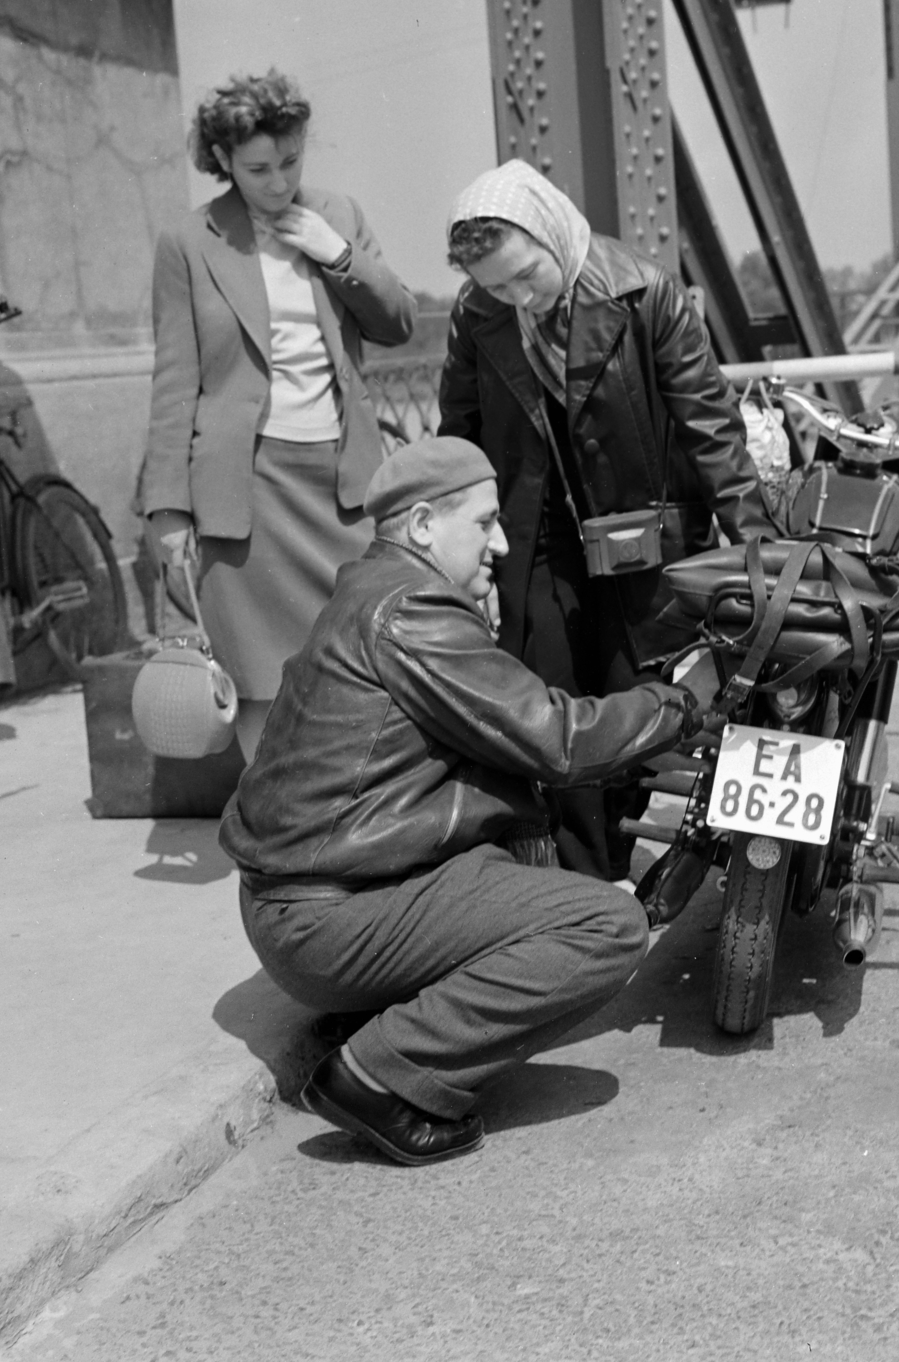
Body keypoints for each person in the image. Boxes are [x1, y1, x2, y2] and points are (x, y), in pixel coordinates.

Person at [220, 437, 704, 1166]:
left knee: (529, 873)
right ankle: (380, 1076)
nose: (502, 543)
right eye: (482, 523)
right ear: (420, 525)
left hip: (312, 901)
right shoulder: (408, 608)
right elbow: (556, 740)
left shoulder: (377, 592)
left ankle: (382, 1025)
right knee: (606, 925)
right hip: (325, 921)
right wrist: (680, 704)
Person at [437, 159, 774, 882]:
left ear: (551, 230)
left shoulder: (644, 291)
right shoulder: (477, 315)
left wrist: (761, 554)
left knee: (633, 695)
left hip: (639, 535)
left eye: (526, 274)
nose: (516, 297)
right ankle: (590, 881)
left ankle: (623, 847)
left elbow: (709, 429)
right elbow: (457, 435)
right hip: (534, 541)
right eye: (496, 286)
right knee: (553, 707)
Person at [141, 70, 415, 759]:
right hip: (247, 489)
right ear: (223, 162)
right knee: (260, 684)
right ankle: (274, 846)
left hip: (341, 484)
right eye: (258, 168)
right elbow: (175, 381)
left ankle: (358, 842)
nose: (277, 181)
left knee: (362, 668)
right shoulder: (189, 241)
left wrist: (337, 254)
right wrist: (168, 510)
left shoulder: (339, 215)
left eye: (290, 161)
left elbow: (397, 324)